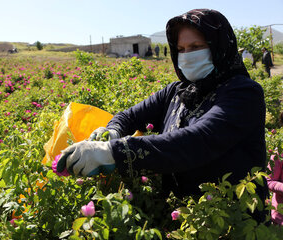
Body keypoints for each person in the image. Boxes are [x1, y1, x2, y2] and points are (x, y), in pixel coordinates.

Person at [57, 9, 268, 221]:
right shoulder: (176, 92)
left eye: (196, 47)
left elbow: (198, 141)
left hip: (233, 221)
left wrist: (114, 152)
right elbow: (129, 116)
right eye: (181, 49)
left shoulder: (244, 93)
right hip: (182, 219)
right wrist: (112, 131)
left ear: (219, 46)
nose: (187, 55)